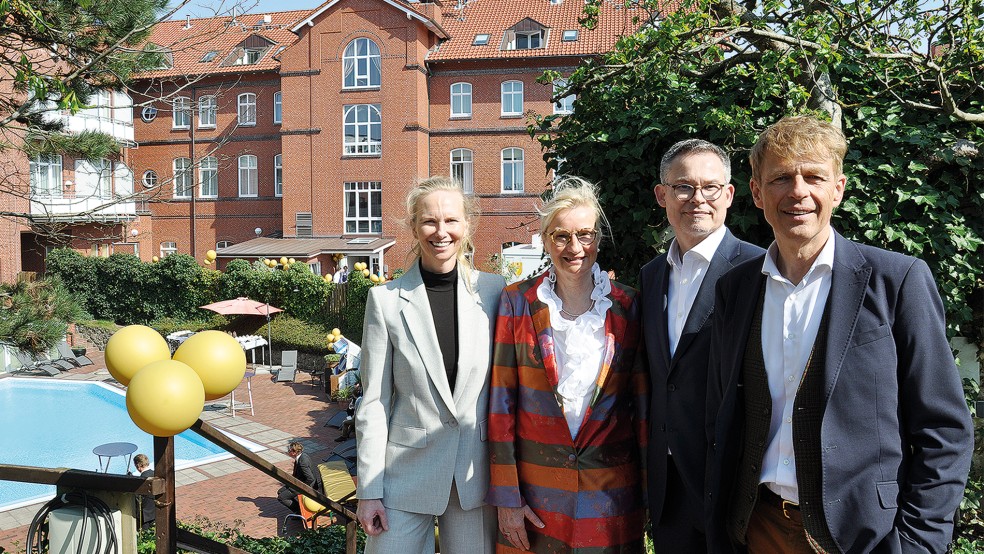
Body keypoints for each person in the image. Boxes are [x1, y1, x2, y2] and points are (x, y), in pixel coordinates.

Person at [705, 116, 973, 553]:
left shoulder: (896, 281)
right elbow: (721, 416)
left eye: (814, 177)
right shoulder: (735, 288)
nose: (798, 192)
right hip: (758, 529)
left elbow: (944, 430)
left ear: (838, 189)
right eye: (780, 178)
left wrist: (918, 542)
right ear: (756, 192)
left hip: (863, 537)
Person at [486, 177, 647, 553]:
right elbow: (501, 406)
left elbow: (641, 408)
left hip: (611, 497)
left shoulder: (629, 306)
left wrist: (648, 491)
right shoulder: (517, 302)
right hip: (536, 497)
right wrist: (508, 499)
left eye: (585, 235)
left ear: (598, 238)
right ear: (545, 240)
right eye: (561, 236)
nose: (575, 248)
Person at [355, 176, 506, 554]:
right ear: (413, 226)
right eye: (429, 221)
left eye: (451, 220)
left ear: (467, 224)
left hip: (474, 477)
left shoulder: (495, 292)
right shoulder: (385, 301)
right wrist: (369, 490)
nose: (441, 231)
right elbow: (374, 403)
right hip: (403, 476)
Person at [639, 139, 763, 552]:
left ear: (729, 194)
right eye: (684, 187)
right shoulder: (651, 275)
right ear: (662, 195)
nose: (698, 198)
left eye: (710, 187)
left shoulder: (760, 269)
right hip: (669, 486)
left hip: (734, 486)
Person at [277, 441, 324, 513]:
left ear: (294, 452)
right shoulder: (302, 456)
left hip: (304, 486)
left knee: (282, 498)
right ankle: (299, 508)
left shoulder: (302, 462)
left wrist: (302, 487)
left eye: (289, 451)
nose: (288, 452)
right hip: (299, 482)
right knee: (280, 492)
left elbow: (310, 478)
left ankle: (299, 512)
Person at [132, 454, 155, 530]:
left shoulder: (142, 479)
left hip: (145, 515)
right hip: (154, 511)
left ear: (138, 465)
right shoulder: (154, 473)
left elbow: (137, 496)